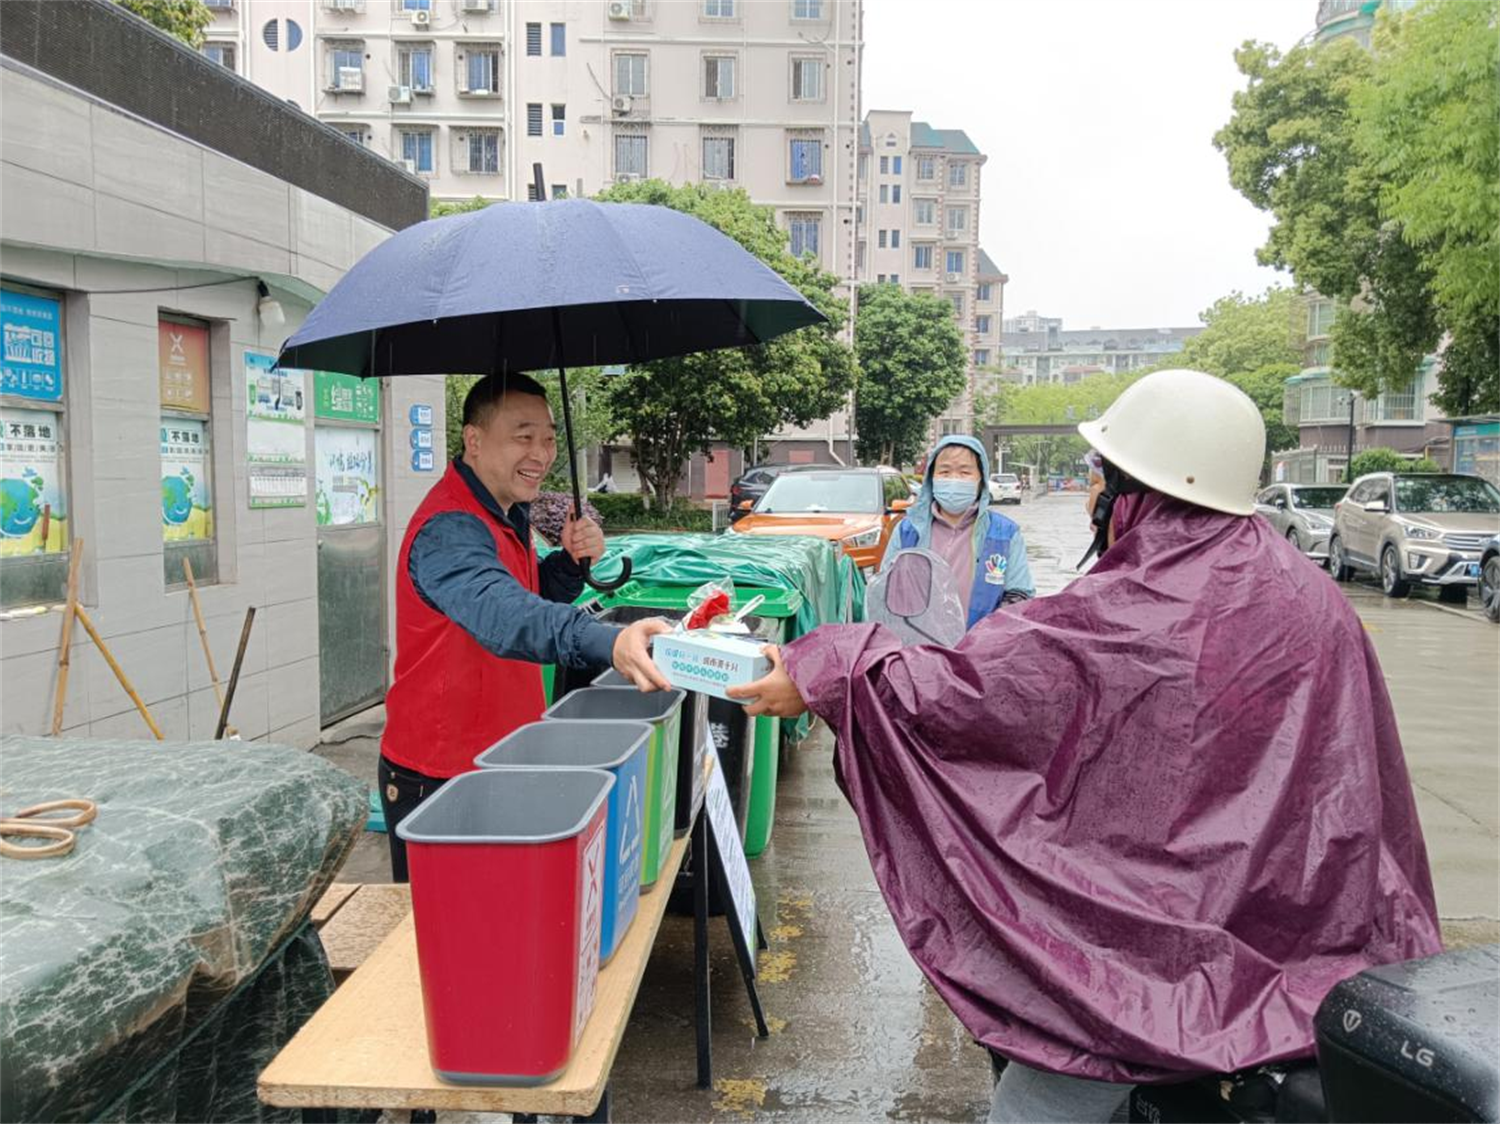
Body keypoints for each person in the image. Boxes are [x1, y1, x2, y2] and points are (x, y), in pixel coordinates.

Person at [730, 369, 1440, 1124]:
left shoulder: (1136, 605)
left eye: (1105, 475)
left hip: (1148, 962)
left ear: (1141, 487)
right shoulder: (1308, 593)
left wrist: (828, 669)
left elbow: (976, 692)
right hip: (1300, 946)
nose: (1096, 492)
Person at [379, 373, 671, 881]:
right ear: (473, 439)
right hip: (442, 774)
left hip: (502, 754)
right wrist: (609, 642)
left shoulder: (504, 513)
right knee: (453, 941)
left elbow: (527, 595)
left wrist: (567, 563)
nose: (541, 453)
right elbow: (504, 618)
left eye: (550, 438)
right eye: (523, 436)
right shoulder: (450, 528)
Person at [881, 435, 1035, 629]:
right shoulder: (908, 531)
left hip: (980, 651)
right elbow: (884, 593)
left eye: (964, 472)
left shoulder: (1005, 533)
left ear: (981, 479)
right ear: (931, 478)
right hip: (918, 649)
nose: (954, 479)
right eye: (944, 472)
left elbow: (1019, 595)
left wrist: (986, 638)